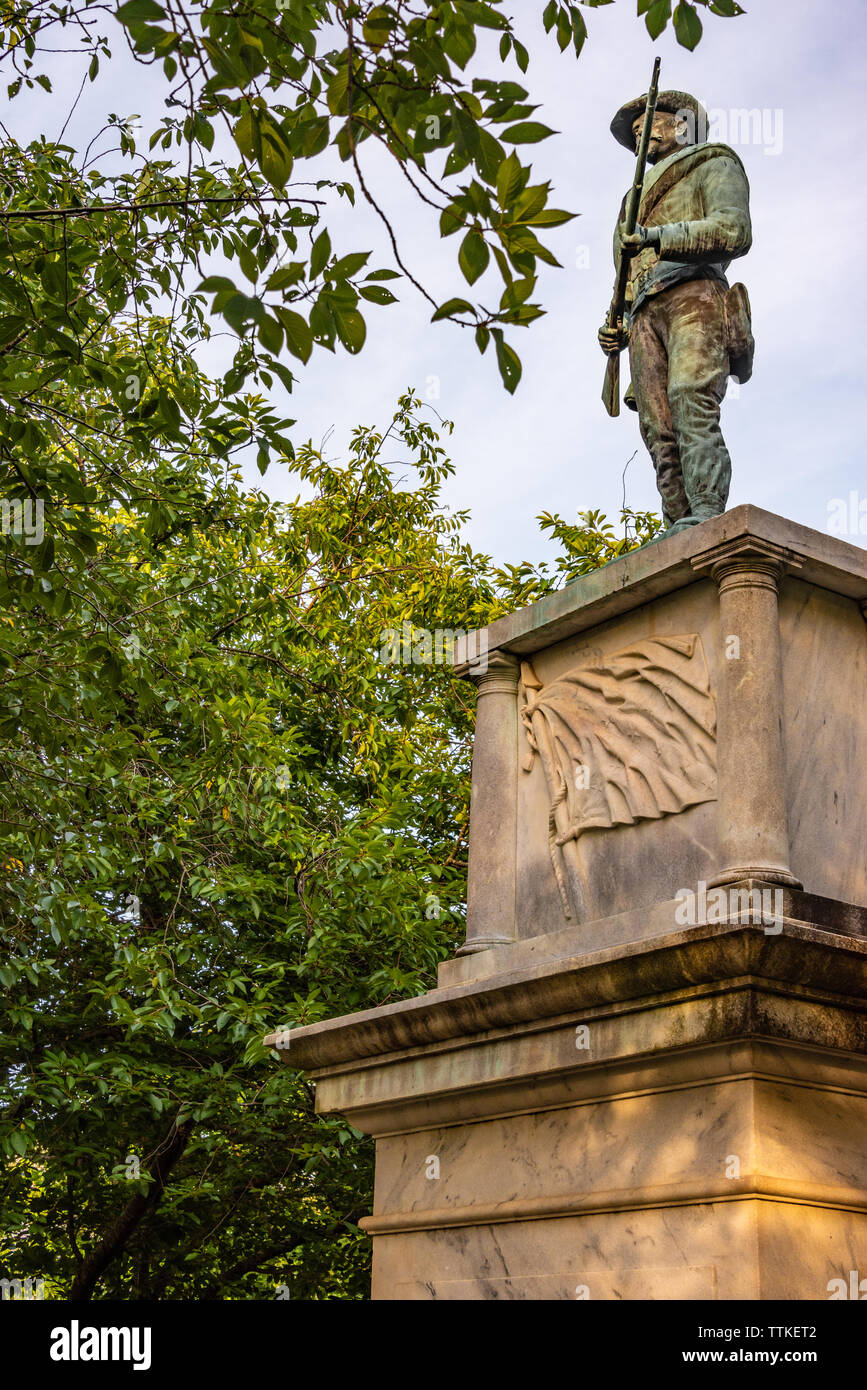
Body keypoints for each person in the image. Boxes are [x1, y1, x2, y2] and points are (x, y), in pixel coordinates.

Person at [598, 90, 753, 533]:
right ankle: (677, 523)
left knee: (690, 397)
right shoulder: (632, 202)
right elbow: (624, 277)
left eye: (647, 124)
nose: (639, 135)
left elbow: (734, 230)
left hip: (695, 294)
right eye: (634, 133)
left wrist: (658, 237)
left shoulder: (713, 161)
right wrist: (616, 323)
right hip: (645, 314)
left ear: (681, 124)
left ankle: (706, 513)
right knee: (656, 424)